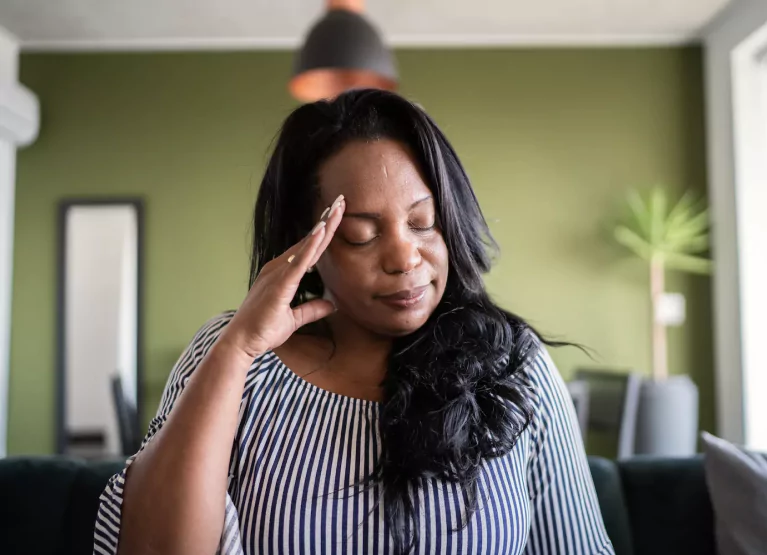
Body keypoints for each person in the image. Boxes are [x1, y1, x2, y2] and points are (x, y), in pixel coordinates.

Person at [94, 89, 614, 555]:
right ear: (308, 244)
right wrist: (235, 352)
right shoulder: (235, 354)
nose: (404, 257)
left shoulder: (510, 365)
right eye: (362, 235)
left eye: (422, 222)